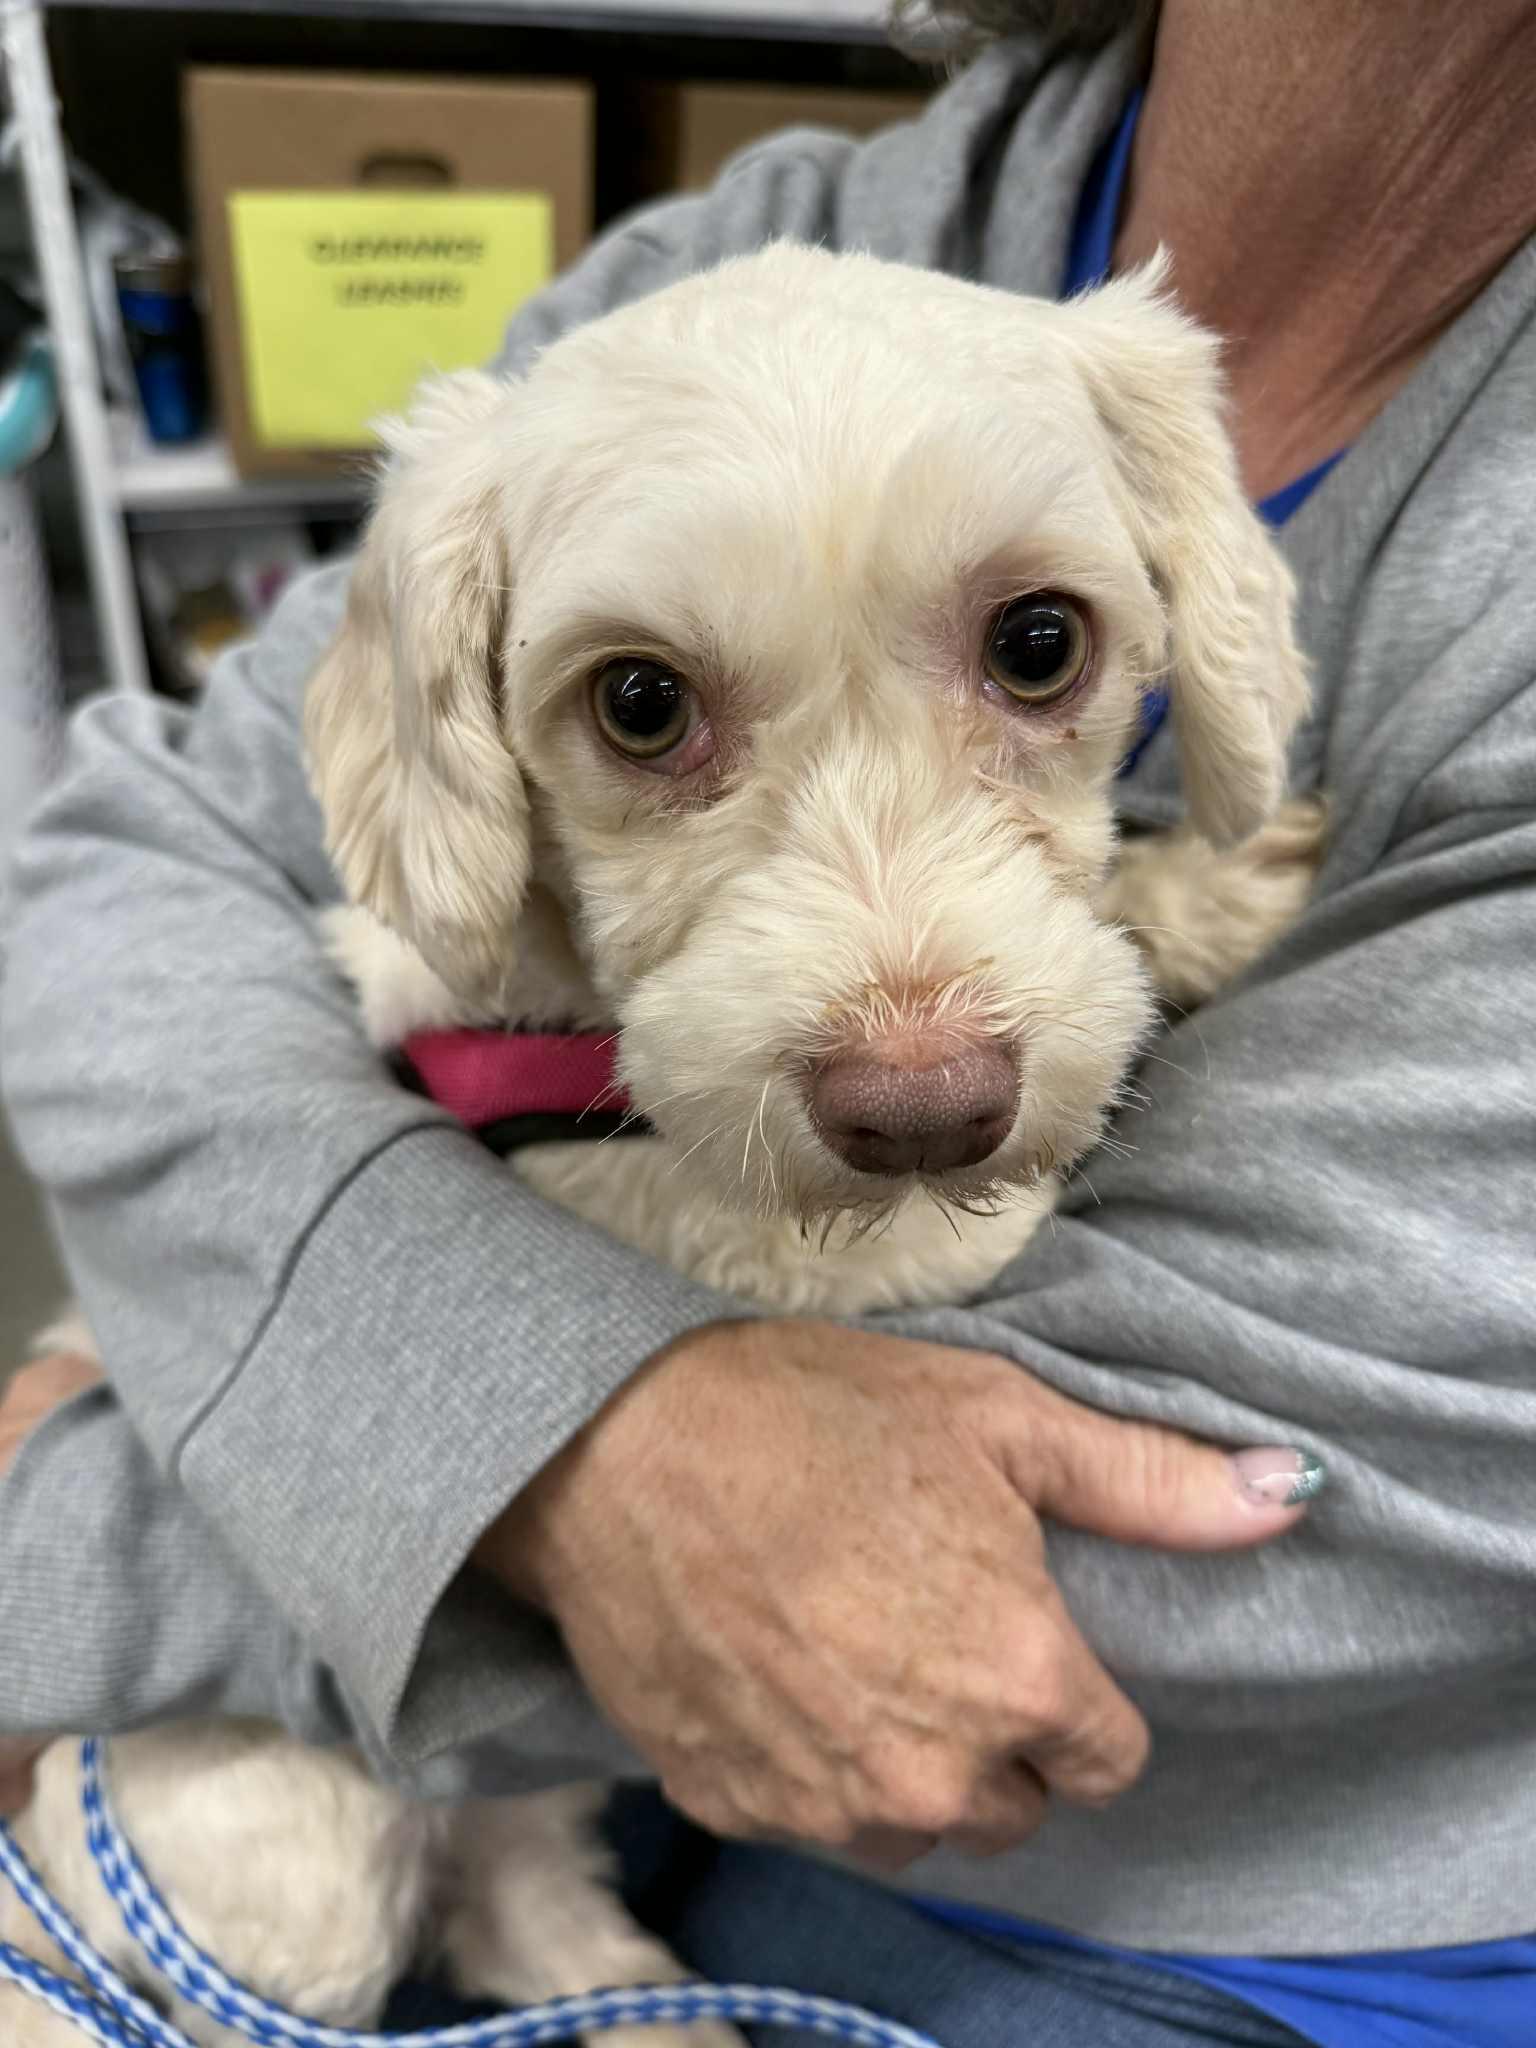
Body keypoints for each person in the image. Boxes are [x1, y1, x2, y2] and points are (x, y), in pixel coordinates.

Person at [2, 1, 1534, 2043]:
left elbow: (978, 1564)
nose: (919, 1063)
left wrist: (105, 1495)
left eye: (1036, 652)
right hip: (443, 1759)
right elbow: (135, 846)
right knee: (302, 1910)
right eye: (648, 710)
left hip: (1253, 1909)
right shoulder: (760, 250)